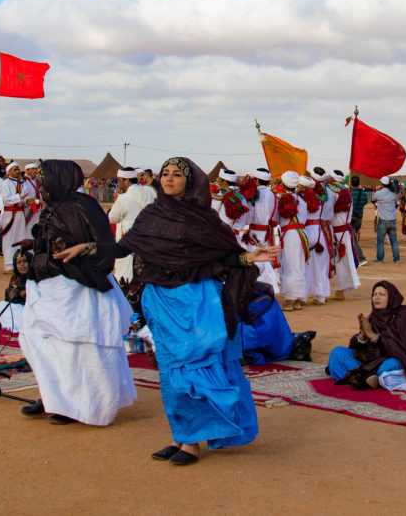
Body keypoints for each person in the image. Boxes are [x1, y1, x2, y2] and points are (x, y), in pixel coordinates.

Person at [54, 157, 279, 465]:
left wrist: (249, 258)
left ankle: (194, 439)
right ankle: (183, 437)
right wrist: (87, 247)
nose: (169, 179)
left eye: (177, 174)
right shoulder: (151, 215)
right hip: (161, 300)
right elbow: (123, 248)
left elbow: (224, 257)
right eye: (165, 174)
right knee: (172, 372)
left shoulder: (204, 218)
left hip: (197, 300)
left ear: (191, 181)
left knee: (197, 367)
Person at [19, 159, 138, 427]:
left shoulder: (80, 206)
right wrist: (35, 244)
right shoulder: (56, 205)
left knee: (73, 349)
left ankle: (76, 405)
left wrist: (72, 255)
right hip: (50, 287)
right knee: (39, 341)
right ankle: (52, 396)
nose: (40, 186)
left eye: (44, 180)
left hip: (76, 289)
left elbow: (102, 246)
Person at [326, 281, 406, 390]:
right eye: (374, 295)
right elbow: (357, 350)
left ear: (391, 297)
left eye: (382, 294)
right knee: (337, 353)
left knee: (389, 365)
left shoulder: (404, 316)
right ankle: (366, 379)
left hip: (404, 360)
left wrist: (373, 337)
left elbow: (403, 348)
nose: (377, 297)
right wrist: (362, 336)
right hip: (373, 363)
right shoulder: (373, 317)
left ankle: (360, 377)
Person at [108, 166, 156, 284]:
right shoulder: (150, 192)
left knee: (126, 278)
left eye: (119, 180)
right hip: (150, 243)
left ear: (126, 181)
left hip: (129, 244)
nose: (118, 183)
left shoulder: (123, 198)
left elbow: (112, 218)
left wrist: (116, 200)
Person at [276, 170, 310, 311]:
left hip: (290, 235)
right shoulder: (302, 201)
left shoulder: (283, 199)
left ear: (283, 184)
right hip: (302, 234)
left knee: (290, 266)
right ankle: (297, 299)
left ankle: (290, 300)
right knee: (299, 266)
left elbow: (276, 219)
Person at [243, 168, 280, 292]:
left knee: (256, 259)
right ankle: (268, 286)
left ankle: (262, 286)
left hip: (255, 231)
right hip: (268, 231)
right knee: (265, 258)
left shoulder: (253, 194)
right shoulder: (273, 195)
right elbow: (275, 216)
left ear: (257, 180)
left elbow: (249, 216)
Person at [328, 169, 360, 299]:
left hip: (337, 231)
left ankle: (340, 290)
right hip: (344, 230)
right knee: (344, 260)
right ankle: (340, 289)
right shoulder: (346, 193)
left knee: (341, 260)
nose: (328, 178)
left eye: (330, 177)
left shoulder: (332, 194)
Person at [302, 172, 331, 305]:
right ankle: (321, 295)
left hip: (308, 231)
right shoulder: (324, 196)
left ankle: (305, 295)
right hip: (321, 231)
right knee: (321, 265)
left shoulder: (302, 199)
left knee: (307, 265)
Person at [0, 162, 28, 272]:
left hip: (20, 214)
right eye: (15, 169)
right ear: (9, 172)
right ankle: (9, 264)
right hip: (10, 214)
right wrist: (20, 197)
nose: (17, 171)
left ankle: (19, 263)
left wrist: (27, 201)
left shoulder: (22, 183)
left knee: (20, 237)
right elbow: (6, 199)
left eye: (18, 169)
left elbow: (24, 199)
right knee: (9, 238)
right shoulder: (5, 183)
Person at [370, 176, 400, 264]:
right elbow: (397, 203)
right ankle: (397, 259)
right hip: (392, 219)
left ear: (382, 184)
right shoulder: (394, 194)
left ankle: (380, 259)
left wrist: (377, 204)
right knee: (394, 240)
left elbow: (373, 200)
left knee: (380, 240)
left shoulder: (379, 193)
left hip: (383, 219)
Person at [349, 176, 369, 265]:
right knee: (351, 238)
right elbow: (365, 202)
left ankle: (361, 257)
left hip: (350, 218)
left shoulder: (349, 193)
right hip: (359, 218)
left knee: (352, 239)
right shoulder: (363, 194)